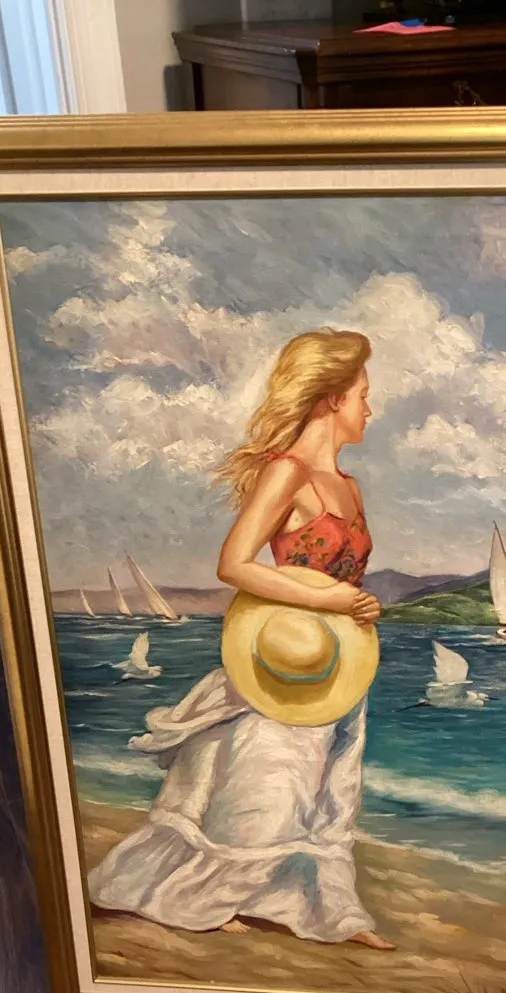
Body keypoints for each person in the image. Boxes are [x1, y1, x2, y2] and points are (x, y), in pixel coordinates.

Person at [87, 329, 394, 949]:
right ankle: (202, 898)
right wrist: (329, 600)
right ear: (332, 398)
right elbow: (233, 564)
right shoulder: (287, 473)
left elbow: (343, 580)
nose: (371, 406)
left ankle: (323, 909)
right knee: (267, 791)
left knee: (324, 793)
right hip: (283, 654)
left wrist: (358, 603)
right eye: (364, 393)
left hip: (336, 661)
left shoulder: (350, 486)